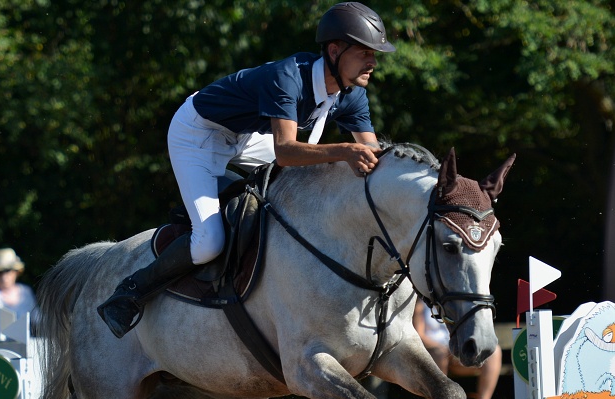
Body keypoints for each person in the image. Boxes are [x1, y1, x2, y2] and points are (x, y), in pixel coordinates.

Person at [98, 2, 396, 338]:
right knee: (209, 242)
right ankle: (131, 292)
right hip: (199, 133)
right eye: (365, 52)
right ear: (333, 50)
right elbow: (285, 152)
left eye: (375, 54)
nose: (372, 62)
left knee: (302, 188)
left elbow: (372, 154)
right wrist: (343, 151)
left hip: (249, 136)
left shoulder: (351, 94)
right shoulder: (287, 77)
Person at [412, 298, 502, 399]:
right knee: (439, 353)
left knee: (494, 352)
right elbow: (419, 335)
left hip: (456, 352)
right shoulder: (421, 305)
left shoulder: (457, 303)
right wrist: (442, 347)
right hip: (432, 352)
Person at [0, 248, 38, 349]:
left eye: (8, 271)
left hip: (25, 349)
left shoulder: (25, 292)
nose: (4, 277)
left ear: (16, 272)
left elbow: (38, 318)